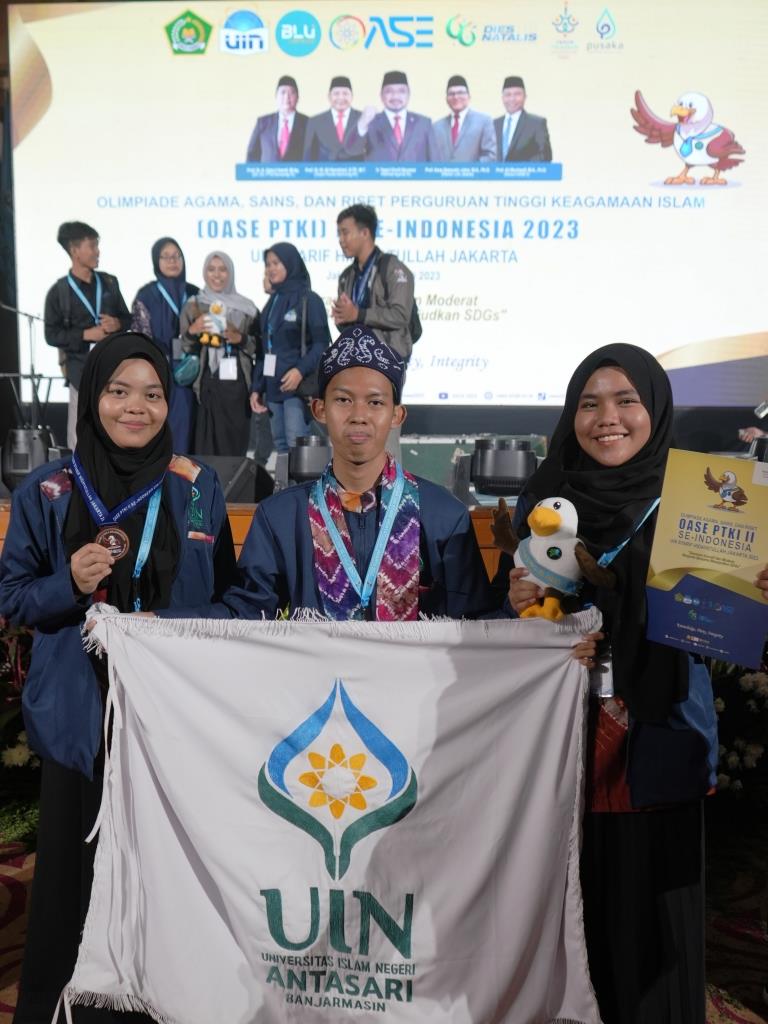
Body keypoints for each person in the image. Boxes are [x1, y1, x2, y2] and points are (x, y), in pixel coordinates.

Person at [494, 343, 758, 1024]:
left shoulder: (701, 506)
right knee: (569, 931)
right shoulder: (543, 500)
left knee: (655, 943)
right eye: (589, 403)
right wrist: (520, 606)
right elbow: (509, 633)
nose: (606, 418)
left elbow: (729, 633)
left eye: (625, 401)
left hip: (658, 744)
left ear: (655, 410)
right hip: (560, 755)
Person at [0, 332, 237, 1024]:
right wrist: (67, 583)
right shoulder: (47, 489)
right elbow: (13, 599)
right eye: (118, 391)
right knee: (75, 877)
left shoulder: (196, 489)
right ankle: (65, 1007)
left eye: (154, 394)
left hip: (169, 715)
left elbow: (228, 602)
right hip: (80, 716)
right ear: (93, 397)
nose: (137, 407)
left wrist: (166, 630)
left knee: (167, 870)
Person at [224, 326, 494, 619]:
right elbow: (244, 619)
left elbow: (477, 628)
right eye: (343, 400)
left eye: (375, 402)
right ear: (319, 409)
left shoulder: (444, 516)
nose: (359, 416)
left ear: (396, 415)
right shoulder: (280, 517)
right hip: (318, 667)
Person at [44, 221, 131, 449]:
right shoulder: (59, 292)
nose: (97, 251)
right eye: (91, 246)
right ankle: (81, 482)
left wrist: (118, 323)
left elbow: (128, 319)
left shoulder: (109, 282)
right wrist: (85, 334)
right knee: (80, 438)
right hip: (80, 373)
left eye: (97, 245)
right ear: (75, 251)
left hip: (114, 371)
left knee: (116, 434)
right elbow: (51, 335)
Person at [251, 243, 330, 453]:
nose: (270, 269)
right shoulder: (272, 303)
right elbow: (264, 349)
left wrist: (299, 371)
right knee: (281, 446)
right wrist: (257, 388)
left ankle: (304, 487)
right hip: (273, 389)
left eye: (276, 263)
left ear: (291, 264)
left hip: (297, 389)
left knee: (298, 446)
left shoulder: (309, 300)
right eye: (268, 264)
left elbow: (322, 345)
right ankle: (287, 487)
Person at [180, 251, 258, 456]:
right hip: (205, 384)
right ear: (204, 273)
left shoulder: (247, 308)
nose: (217, 275)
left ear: (230, 273)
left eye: (222, 269)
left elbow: (258, 347)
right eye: (211, 269)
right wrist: (192, 332)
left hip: (237, 385)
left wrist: (240, 339)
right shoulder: (193, 305)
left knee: (233, 448)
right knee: (205, 448)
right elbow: (184, 348)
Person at [131, 237, 200, 453]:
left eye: (176, 256)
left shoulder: (195, 293)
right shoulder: (147, 295)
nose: (172, 261)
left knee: (188, 433)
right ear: (156, 261)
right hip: (159, 375)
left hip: (191, 375)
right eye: (166, 256)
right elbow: (141, 337)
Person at [334, 204, 415, 362]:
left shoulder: (393, 269)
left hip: (388, 360)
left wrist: (359, 314)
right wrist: (342, 318)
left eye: (345, 233)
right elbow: (348, 322)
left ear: (365, 233)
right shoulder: (346, 276)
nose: (341, 240)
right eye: (339, 234)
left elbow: (400, 315)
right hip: (355, 358)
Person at [351, 71, 432, 162]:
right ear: (381, 95)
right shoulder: (369, 121)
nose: (395, 96)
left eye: (401, 91)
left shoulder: (424, 123)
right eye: (389, 91)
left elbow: (434, 159)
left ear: (408, 95)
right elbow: (352, 151)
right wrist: (362, 124)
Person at [430, 75, 496, 162]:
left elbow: (490, 156)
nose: (456, 97)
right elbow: (432, 157)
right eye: (451, 94)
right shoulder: (436, 127)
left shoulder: (484, 122)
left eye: (460, 93)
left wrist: (468, 171)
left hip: (474, 175)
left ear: (469, 96)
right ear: (446, 99)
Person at [245, 75, 308, 162]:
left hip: (300, 175)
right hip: (267, 175)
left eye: (291, 93)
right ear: (276, 96)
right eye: (283, 92)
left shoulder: (309, 124)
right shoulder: (263, 123)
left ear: (297, 97)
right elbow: (252, 155)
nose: (287, 97)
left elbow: (315, 156)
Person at [302, 75, 361, 161]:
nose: (341, 98)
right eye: (336, 93)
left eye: (345, 93)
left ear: (352, 96)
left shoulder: (363, 119)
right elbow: (307, 156)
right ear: (329, 96)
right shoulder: (315, 122)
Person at [494, 76, 552, 162]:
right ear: (502, 98)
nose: (512, 99)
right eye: (508, 95)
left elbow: (545, 156)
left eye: (517, 94)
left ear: (525, 97)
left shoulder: (536, 123)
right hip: (495, 175)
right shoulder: (493, 124)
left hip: (525, 174)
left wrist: (518, 169)